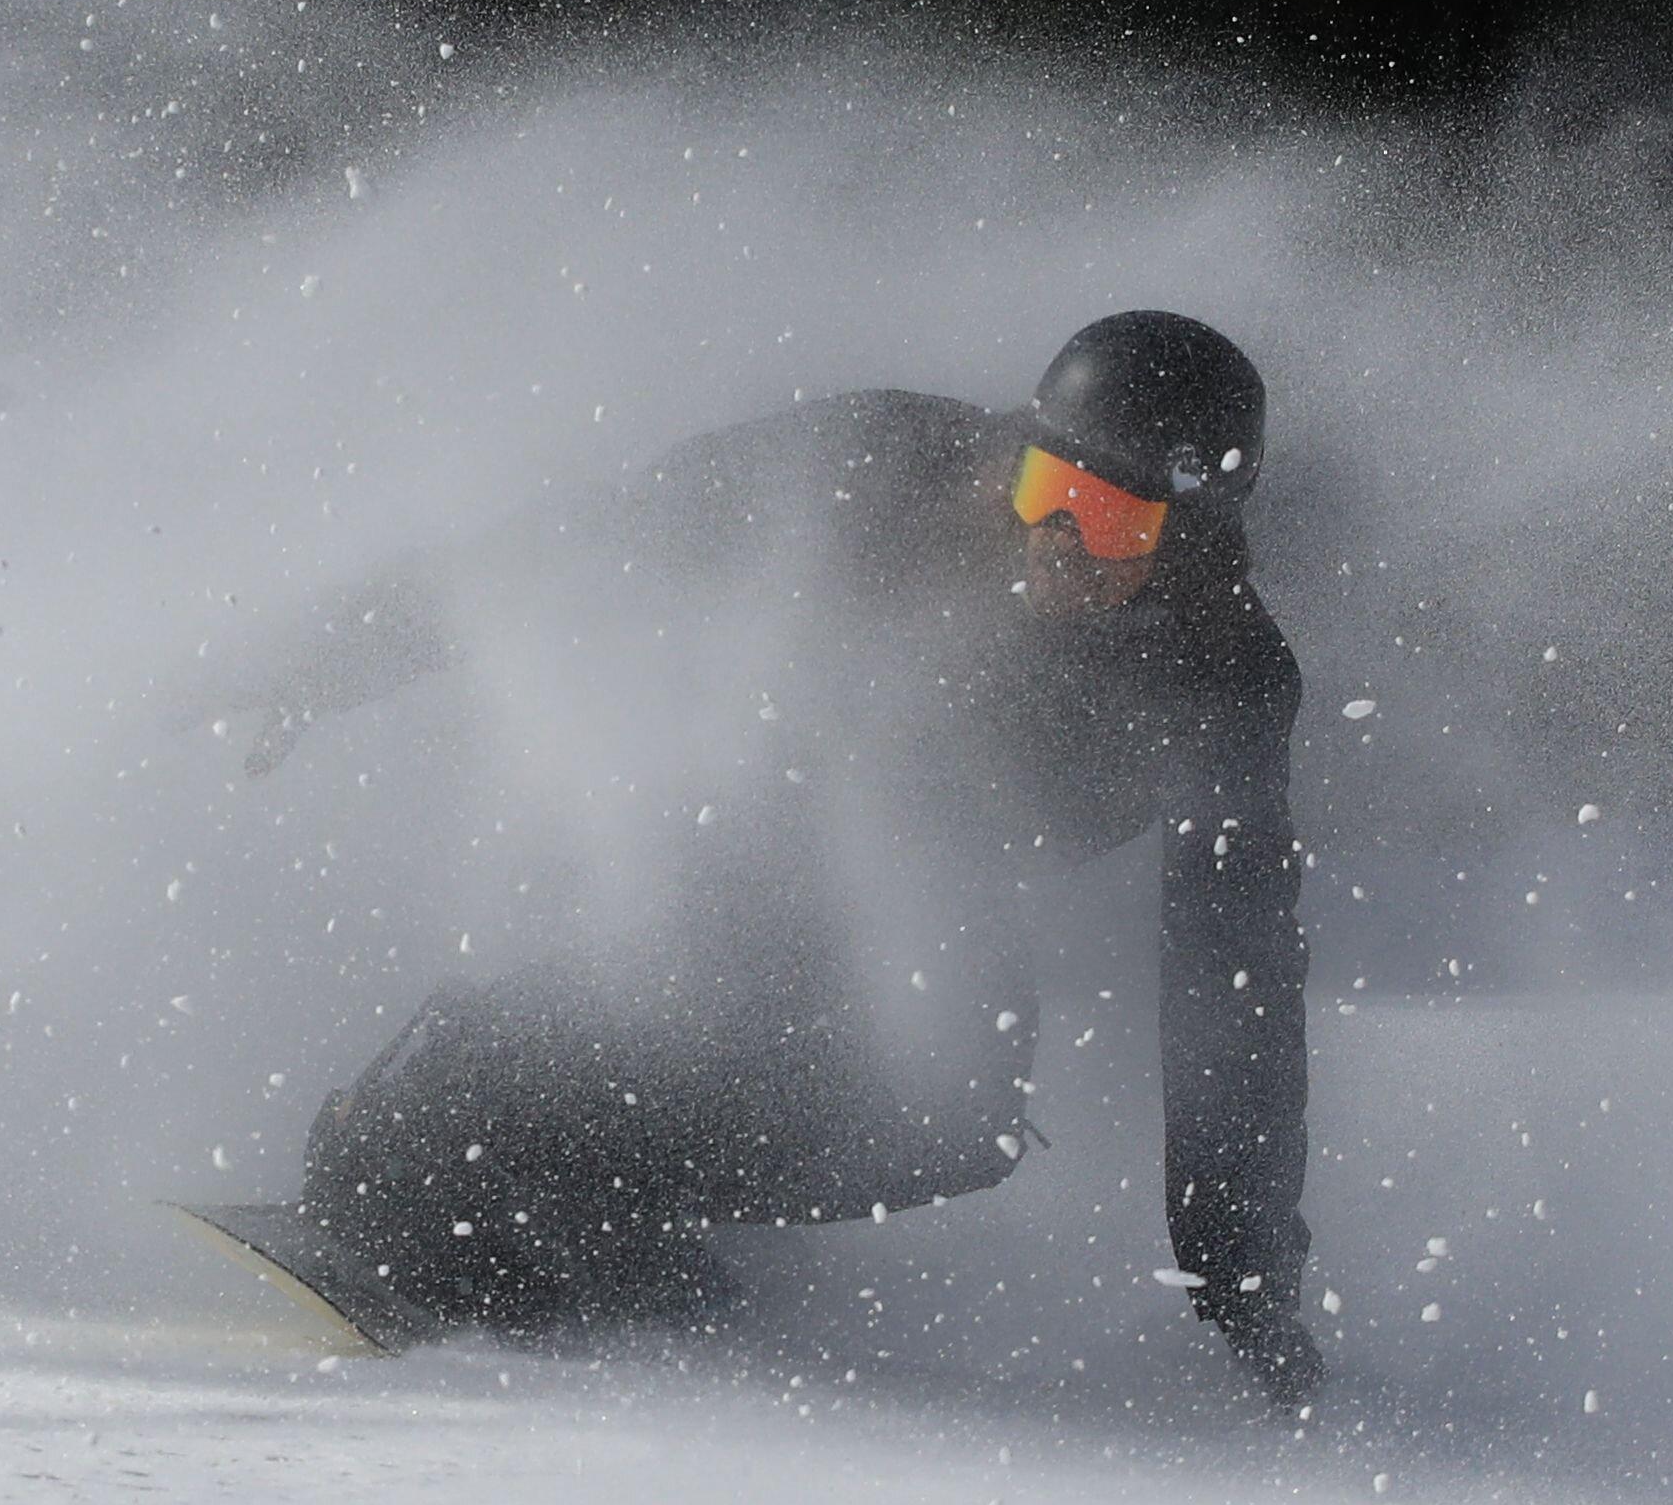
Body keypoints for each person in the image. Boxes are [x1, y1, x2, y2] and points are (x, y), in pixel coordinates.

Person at [216, 310, 1323, 1403]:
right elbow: (605, 528)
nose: (1062, 541)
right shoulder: (889, 465)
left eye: (1112, 519)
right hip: (751, 773)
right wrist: (342, 651)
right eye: (1049, 490)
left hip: (938, 859)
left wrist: (1243, 1288)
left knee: (954, 1115)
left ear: (1190, 537)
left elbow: (1235, 986)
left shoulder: (1220, 683)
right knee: (734, 973)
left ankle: (591, 1195)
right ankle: (428, 1129)